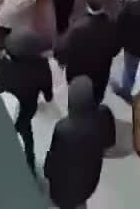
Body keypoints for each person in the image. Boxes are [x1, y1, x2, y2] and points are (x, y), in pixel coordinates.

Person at [44, 76, 115, 209]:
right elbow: (109, 143)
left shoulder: (62, 128)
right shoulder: (104, 114)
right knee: (81, 198)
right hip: (90, 177)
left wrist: (47, 172)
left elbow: (55, 157)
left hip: (64, 184)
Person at [0, 28, 53, 172]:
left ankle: (8, 162)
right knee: (27, 134)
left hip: (2, 108)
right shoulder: (40, 65)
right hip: (25, 111)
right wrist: (48, 96)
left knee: (6, 135)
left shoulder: (2, 61)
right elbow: (47, 87)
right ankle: (30, 162)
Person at [55, 0, 119, 103]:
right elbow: (115, 50)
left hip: (77, 74)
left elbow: (61, 49)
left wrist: (61, 61)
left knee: (77, 99)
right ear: (104, 7)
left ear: (87, 6)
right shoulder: (112, 25)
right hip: (100, 73)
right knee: (97, 98)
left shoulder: (76, 27)